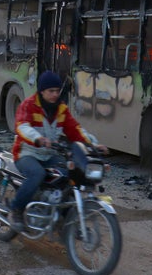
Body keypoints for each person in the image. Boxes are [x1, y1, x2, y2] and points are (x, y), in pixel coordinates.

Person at [8, 70, 108, 232]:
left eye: (57, 91)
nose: (55, 94)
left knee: (69, 174)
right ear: (41, 91)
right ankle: (16, 211)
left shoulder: (61, 109)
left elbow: (76, 130)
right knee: (37, 174)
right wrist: (38, 139)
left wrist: (93, 145)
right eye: (51, 91)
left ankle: (66, 217)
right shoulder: (29, 105)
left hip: (50, 154)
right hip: (26, 153)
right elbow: (22, 126)